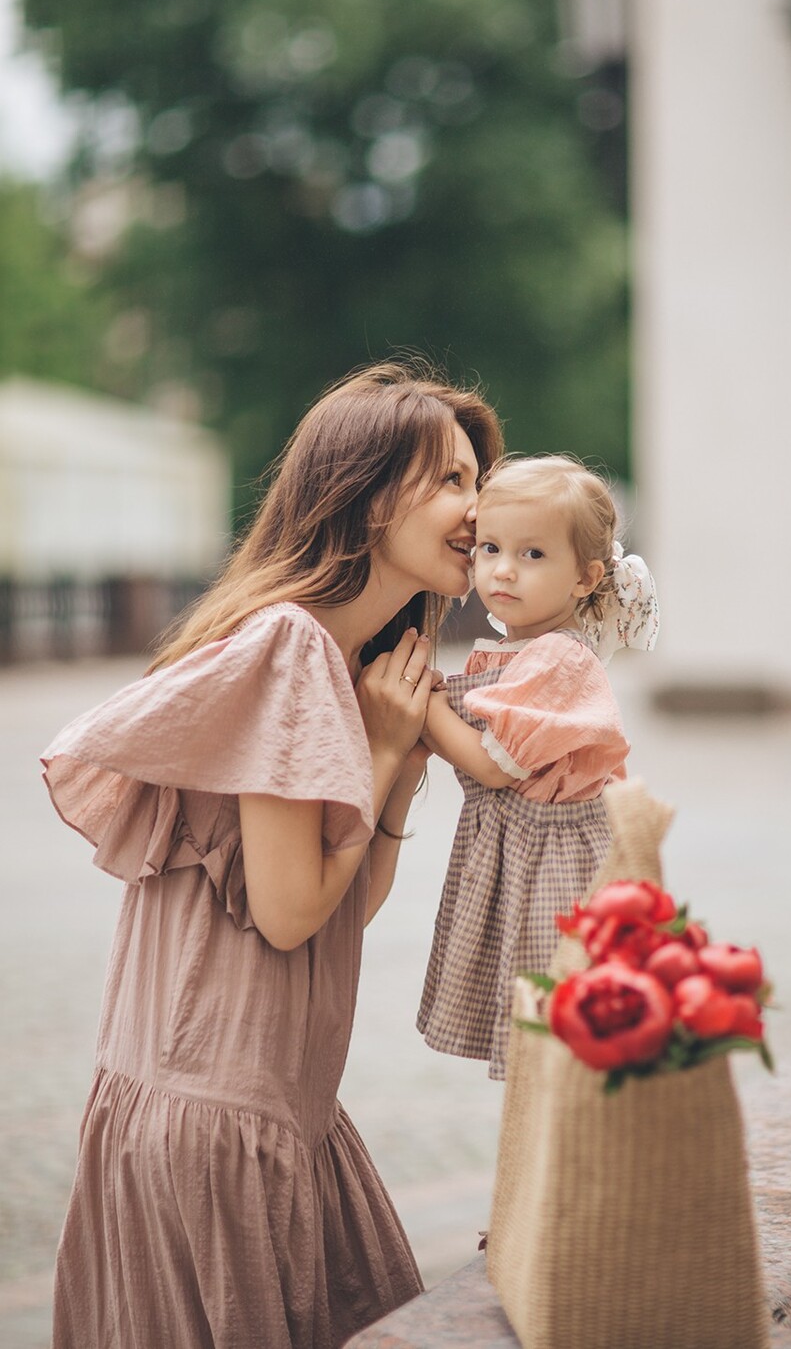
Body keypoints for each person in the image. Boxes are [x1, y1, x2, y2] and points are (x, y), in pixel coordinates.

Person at [41, 362, 503, 1349]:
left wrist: (399, 762)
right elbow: (293, 913)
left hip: (263, 1106)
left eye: (479, 481)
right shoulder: (291, 645)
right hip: (221, 1117)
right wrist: (383, 752)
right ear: (370, 500)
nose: (479, 507)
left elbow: (346, 907)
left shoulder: (337, 662)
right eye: (452, 481)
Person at [416, 455, 659, 1080]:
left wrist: (420, 709)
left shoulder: (559, 658)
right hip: (521, 845)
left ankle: (567, 1158)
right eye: (491, 547)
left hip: (556, 858)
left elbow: (496, 767)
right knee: (536, 1031)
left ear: (586, 577)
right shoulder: (527, 648)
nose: (503, 570)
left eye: (533, 555)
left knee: (553, 1028)